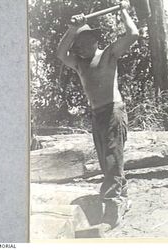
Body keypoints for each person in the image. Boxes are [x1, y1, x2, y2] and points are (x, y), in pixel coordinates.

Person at [57, 1, 139, 228]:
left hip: (113, 111)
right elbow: (60, 53)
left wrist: (123, 10)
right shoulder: (79, 64)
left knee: (113, 159)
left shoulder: (108, 54)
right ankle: (123, 199)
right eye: (77, 44)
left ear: (94, 40)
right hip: (97, 115)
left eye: (83, 42)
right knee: (106, 160)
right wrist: (72, 29)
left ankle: (112, 211)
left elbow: (133, 34)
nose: (79, 48)